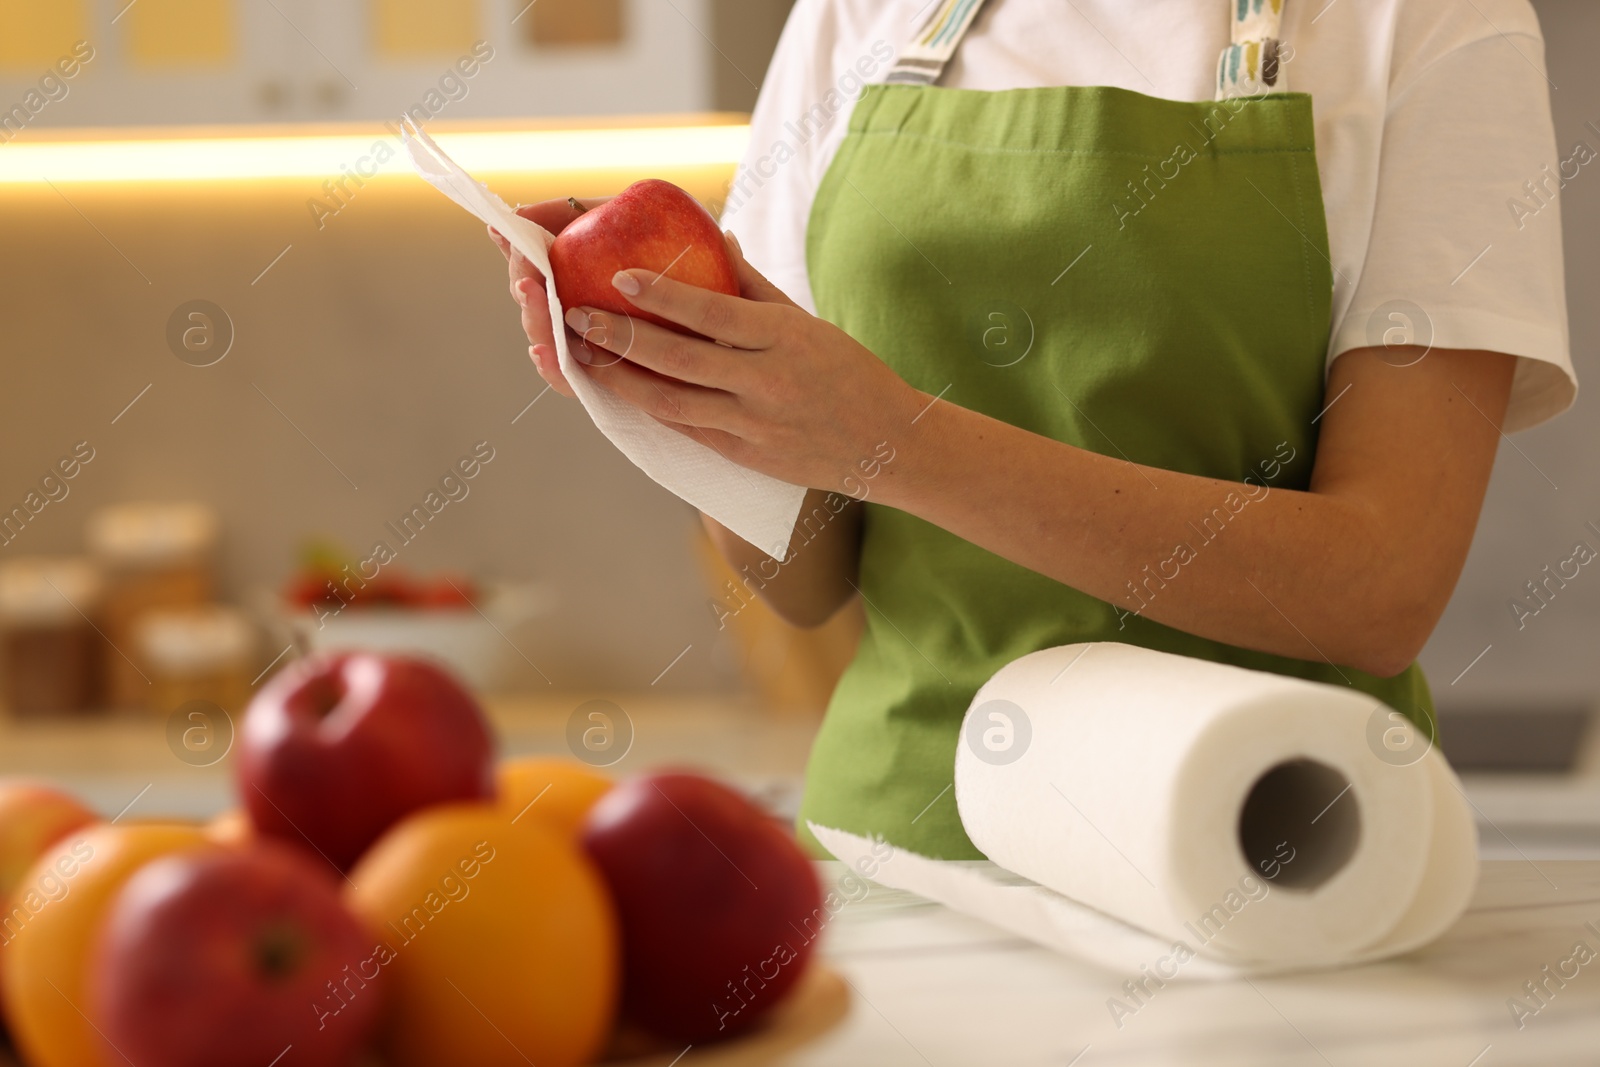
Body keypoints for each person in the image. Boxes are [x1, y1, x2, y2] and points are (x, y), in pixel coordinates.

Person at [491, 0, 1576, 860]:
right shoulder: (856, 14)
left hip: (1263, 856)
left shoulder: (1431, 20)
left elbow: (1379, 587)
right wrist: (673, 392)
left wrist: (894, 438)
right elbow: (813, 578)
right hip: (903, 849)